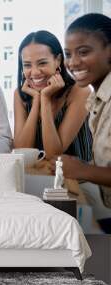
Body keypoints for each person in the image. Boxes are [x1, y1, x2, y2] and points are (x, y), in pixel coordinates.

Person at [54, 13, 111, 232]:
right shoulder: (97, 98)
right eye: (68, 54)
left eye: (84, 52)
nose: (73, 62)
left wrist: (81, 170)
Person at [13, 30, 92, 161]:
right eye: (27, 65)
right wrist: (37, 101)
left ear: (58, 60)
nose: (35, 72)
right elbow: (22, 152)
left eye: (42, 63)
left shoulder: (80, 91)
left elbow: (54, 154)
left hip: (80, 177)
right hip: (39, 175)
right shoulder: (21, 94)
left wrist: (45, 99)